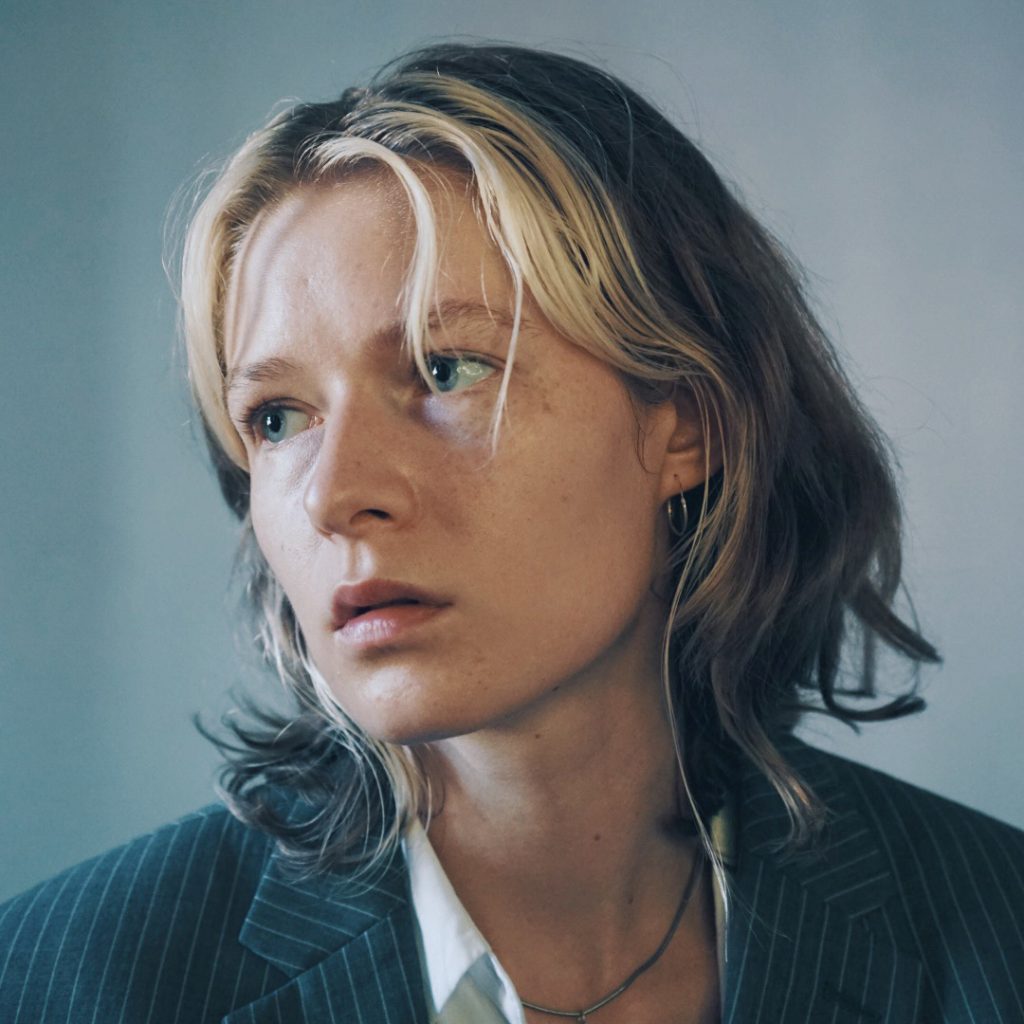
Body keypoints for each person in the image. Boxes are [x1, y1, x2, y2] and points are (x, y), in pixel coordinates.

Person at [1, 42, 1021, 1024]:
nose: (334, 494)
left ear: (688, 421)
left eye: (448, 370)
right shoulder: (57, 982)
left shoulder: (996, 938)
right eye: (276, 417)